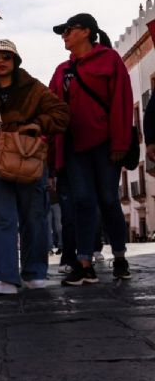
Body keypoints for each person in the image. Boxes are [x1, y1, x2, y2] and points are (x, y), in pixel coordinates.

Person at [0, 40, 70, 295]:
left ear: (15, 61)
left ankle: (35, 274)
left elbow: (61, 114)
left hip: (28, 156)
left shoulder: (33, 88)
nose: (1, 62)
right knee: (2, 218)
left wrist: (35, 124)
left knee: (33, 216)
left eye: (6, 57)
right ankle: (6, 278)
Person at [48, 14, 133, 285]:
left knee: (108, 200)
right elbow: (50, 108)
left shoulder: (110, 60)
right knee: (83, 201)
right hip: (74, 147)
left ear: (86, 32)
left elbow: (122, 101)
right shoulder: (62, 70)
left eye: (68, 30)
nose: (64, 35)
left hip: (106, 146)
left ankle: (119, 256)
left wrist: (121, 143)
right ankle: (84, 264)